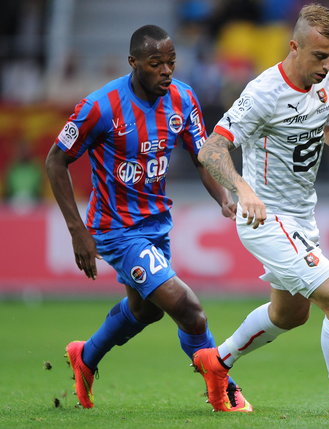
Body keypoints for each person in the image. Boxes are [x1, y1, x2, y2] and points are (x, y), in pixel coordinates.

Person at [192, 3, 329, 416]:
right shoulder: (263, 92)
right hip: (265, 218)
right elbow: (210, 149)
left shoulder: (325, 82)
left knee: (289, 314)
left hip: (301, 219)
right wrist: (243, 188)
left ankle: (217, 362)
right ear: (294, 47)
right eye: (320, 56)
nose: (327, 65)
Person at [45, 25, 251, 412]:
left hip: (156, 224)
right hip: (117, 230)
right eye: (156, 63)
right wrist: (77, 231)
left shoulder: (183, 98)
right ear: (134, 63)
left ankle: (85, 357)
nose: (166, 71)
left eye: (171, 62)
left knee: (147, 310)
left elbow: (202, 155)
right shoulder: (100, 106)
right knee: (189, 311)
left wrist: (223, 197)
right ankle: (225, 389)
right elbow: (56, 160)